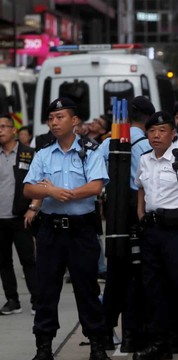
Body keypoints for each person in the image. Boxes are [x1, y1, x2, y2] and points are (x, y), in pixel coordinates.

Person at [23, 97, 111, 360]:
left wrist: (63, 192)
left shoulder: (90, 151)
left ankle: (97, 344)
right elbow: (28, 188)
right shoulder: (43, 153)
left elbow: (96, 186)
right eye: (51, 118)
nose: (54, 122)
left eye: (60, 117)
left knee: (87, 289)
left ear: (74, 121)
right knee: (46, 290)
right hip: (50, 230)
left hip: (81, 231)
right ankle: (44, 346)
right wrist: (48, 191)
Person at [133, 111, 178, 359]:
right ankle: (160, 343)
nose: (156, 135)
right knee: (154, 287)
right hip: (152, 230)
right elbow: (140, 187)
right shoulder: (145, 159)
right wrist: (140, 212)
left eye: (161, 130)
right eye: (151, 131)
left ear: (173, 133)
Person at [99, 95, 154, 353]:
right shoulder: (149, 145)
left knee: (114, 278)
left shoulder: (109, 141)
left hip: (114, 216)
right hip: (138, 215)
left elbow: (97, 172)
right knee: (137, 277)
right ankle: (132, 336)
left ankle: (105, 334)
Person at [0, 115, 39, 316]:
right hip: (0, 218)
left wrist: (33, 207)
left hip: (20, 216)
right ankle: (12, 300)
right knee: (4, 262)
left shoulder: (28, 154)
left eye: (3, 126)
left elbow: (40, 182)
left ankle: (37, 300)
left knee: (28, 260)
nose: (0, 130)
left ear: (13, 130)